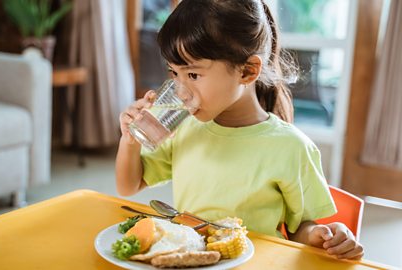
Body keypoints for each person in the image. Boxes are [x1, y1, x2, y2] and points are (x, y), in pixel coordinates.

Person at [116, 0, 364, 260]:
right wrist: (130, 141)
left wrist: (324, 235)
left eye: (192, 75)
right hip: (193, 261)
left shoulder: (290, 147)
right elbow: (128, 185)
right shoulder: (185, 128)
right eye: (174, 73)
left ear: (247, 71)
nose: (180, 90)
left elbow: (301, 228)